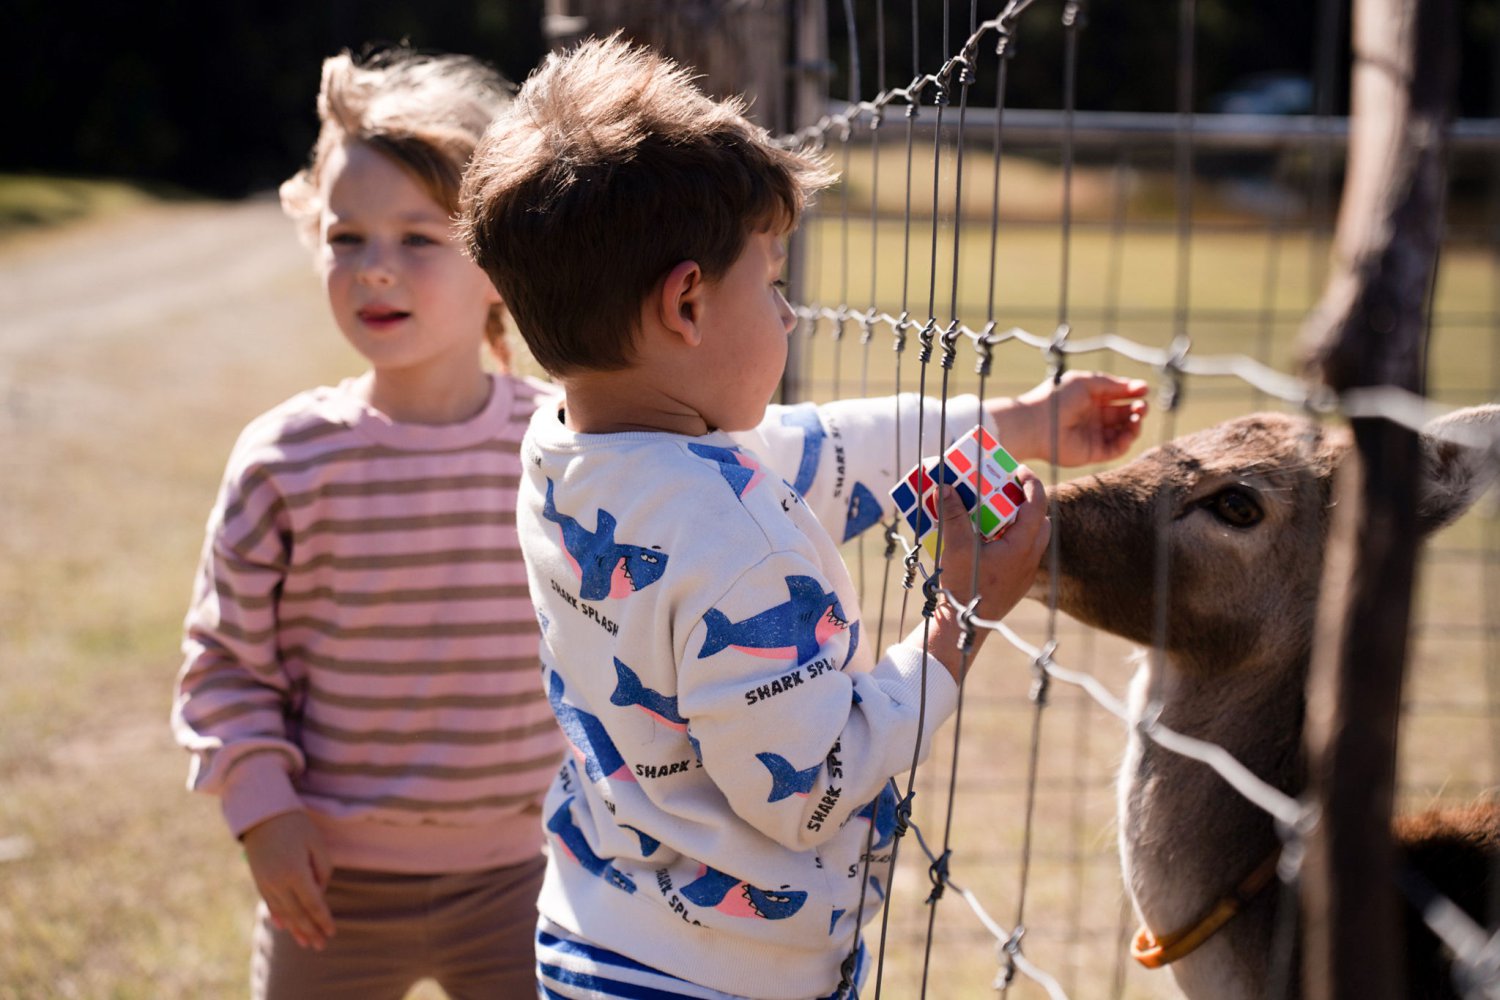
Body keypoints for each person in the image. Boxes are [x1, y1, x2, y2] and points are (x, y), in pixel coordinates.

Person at [459, 35, 1149, 1000]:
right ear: (687, 304)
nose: (788, 316)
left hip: (595, 934)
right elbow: (813, 788)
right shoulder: (735, 543)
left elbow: (820, 450)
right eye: (773, 283)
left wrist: (1018, 424)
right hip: (719, 981)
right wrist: (960, 619)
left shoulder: (571, 447)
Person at [171, 45, 564, 1000]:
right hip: (329, 882)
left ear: (499, 260)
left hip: (534, 876)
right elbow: (225, 663)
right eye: (347, 238)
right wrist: (264, 813)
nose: (375, 270)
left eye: (419, 239)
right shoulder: (285, 460)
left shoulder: (562, 446)